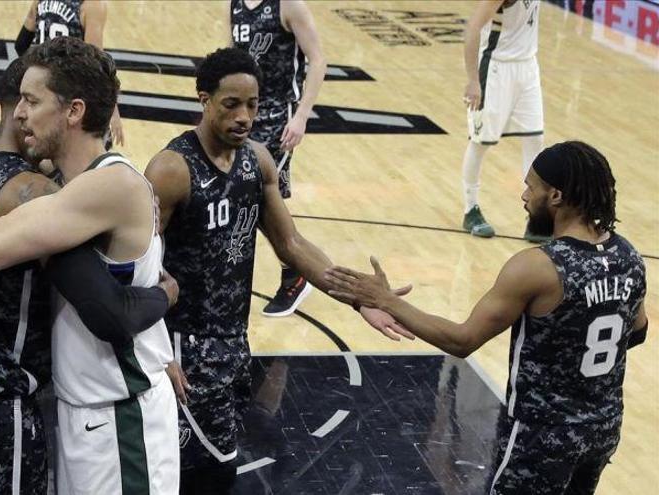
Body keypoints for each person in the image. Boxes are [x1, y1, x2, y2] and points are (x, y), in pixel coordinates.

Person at [144, 47, 407, 495]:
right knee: (193, 476)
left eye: (253, 105)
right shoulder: (172, 170)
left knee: (219, 467)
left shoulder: (257, 161)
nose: (244, 116)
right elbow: (138, 266)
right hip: (182, 349)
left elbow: (292, 244)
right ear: (203, 100)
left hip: (234, 345)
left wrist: (359, 297)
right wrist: (155, 352)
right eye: (231, 104)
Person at [0, 58, 175, 494]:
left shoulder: (87, 186)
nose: (20, 113)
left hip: (119, 413)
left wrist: (166, 302)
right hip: (76, 408)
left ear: (72, 111)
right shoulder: (52, 189)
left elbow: (112, 310)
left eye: (32, 102)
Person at [325, 141, 648, 494]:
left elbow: (461, 341)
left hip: (543, 437)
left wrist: (386, 300)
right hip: (602, 429)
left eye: (531, 186)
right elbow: (637, 332)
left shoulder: (537, 267)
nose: (524, 195)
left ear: (555, 196)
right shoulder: (628, 256)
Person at [229, 0, 327, 316]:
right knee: (258, 201)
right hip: (245, 114)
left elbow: (318, 60)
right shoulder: (235, 3)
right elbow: (234, 59)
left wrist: (301, 116)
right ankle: (295, 268)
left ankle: (297, 270)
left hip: (278, 117)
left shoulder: (289, 5)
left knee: (251, 195)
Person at [461, 0, 546, 242]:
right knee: (480, 142)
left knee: (535, 139)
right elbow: (472, 29)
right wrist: (472, 80)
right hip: (496, 69)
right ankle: (471, 210)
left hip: (528, 66)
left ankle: (536, 218)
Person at [15, 0, 124, 147]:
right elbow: (96, 64)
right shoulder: (92, 5)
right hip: (69, 94)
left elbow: (21, 44)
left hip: (40, 91)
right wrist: (113, 109)